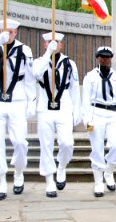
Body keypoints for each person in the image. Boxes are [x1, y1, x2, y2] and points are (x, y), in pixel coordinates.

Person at [0, 19, 36, 201]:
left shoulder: (25, 50)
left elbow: (30, 78)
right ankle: (1, 180)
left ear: (16, 32)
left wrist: (31, 101)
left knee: (19, 141)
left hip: (17, 98)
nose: (8, 34)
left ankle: (18, 172)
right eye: (4, 31)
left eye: (10, 32)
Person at [33, 32, 80, 198]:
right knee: (46, 145)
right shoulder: (39, 61)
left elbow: (75, 87)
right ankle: (49, 181)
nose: (53, 44)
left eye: (57, 42)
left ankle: (61, 166)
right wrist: (48, 54)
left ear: (61, 45)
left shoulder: (70, 63)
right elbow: (37, 73)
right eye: (49, 42)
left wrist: (77, 111)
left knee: (67, 143)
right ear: (45, 45)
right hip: (45, 108)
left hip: (64, 107)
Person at [81, 46, 116, 197]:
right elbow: (85, 101)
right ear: (97, 58)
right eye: (102, 56)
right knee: (97, 149)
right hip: (96, 113)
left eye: (108, 56)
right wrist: (87, 120)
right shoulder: (90, 76)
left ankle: (108, 172)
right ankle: (98, 182)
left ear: (111, 58)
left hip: (112, 114)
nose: (105, 59)